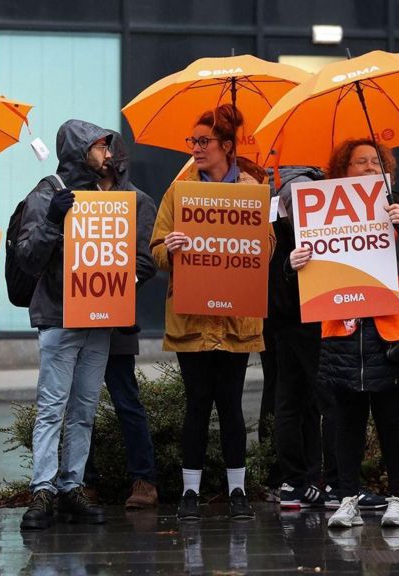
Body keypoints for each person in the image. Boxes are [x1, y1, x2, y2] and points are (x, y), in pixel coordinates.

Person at [289, 139, 399, 529]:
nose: (369, 168)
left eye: (376, 162)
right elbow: (308, 271)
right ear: (343, 170)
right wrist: (294, 262)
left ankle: (398, 499)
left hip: (393, 332)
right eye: (360, 162)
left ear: (388, 170)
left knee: (390, 419)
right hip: (343, 331)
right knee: (345, 420)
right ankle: (347, 498)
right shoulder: (323, 210)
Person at [150, 104, 264, 521]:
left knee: (231, 405)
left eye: (204, 142)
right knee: (197, 404)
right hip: (192, 321)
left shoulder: (252, 189)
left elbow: (265, 250)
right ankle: (190, 494)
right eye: (192, 141)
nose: (196, 149)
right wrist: (171, 248)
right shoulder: (178, 192)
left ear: (227, 147)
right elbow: (156, 251)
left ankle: (237, 492)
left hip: (235, 320)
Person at [16, 120, 115, 531]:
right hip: (59, 317)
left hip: (98, 317)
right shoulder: (45, 194)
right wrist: (54, 220)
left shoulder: (101, 197)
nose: (107, 154)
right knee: (54, 407)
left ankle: (71, 485)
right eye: (100, 147)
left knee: (85, 409)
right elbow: (27, 257)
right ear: (78, 150)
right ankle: (42, 489)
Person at [81, 130, 160, 509]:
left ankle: (144, 482)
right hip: (78, 322)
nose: (105, 155)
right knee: (81, 406)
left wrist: (111, 285)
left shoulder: (137, 202)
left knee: (126, 401)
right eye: (98, 148)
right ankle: (84, 482)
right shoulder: (73, 200)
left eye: (109, 148)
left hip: (116, 320)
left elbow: (146, 262)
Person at [268, 165, 335, 509]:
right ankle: (307, 480)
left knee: (303, 402)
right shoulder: (277, 226)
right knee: (305, 402)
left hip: (306, 319)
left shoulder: (279, 214)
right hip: (297, 321)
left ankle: (304, 481)